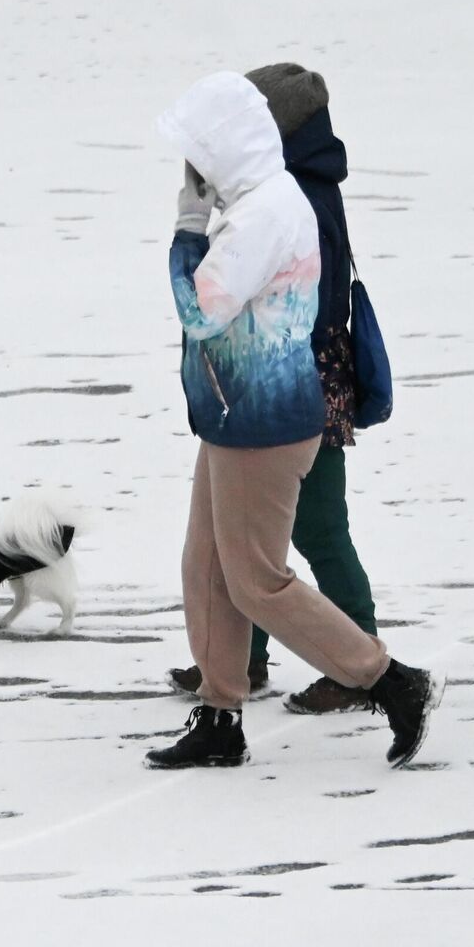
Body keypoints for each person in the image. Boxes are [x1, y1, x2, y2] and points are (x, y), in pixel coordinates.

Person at [145, 71, 443, 770]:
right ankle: (220, 718)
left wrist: (187, 230)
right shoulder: (262, 201)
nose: (190, 172)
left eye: (197, 157)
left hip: (266, 422)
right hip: (232, 411)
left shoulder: (266, 215)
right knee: (209, 567)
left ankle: (390, 681)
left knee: (257, 580)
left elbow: (201, 309)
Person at [165, 62, 380, 716]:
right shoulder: (293, 188)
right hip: (290, 383)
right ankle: (245, 662)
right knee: (250, 537)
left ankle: (364, 662)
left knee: (316, 530)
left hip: (297, 386)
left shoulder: (296, 198)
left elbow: (271, 304)